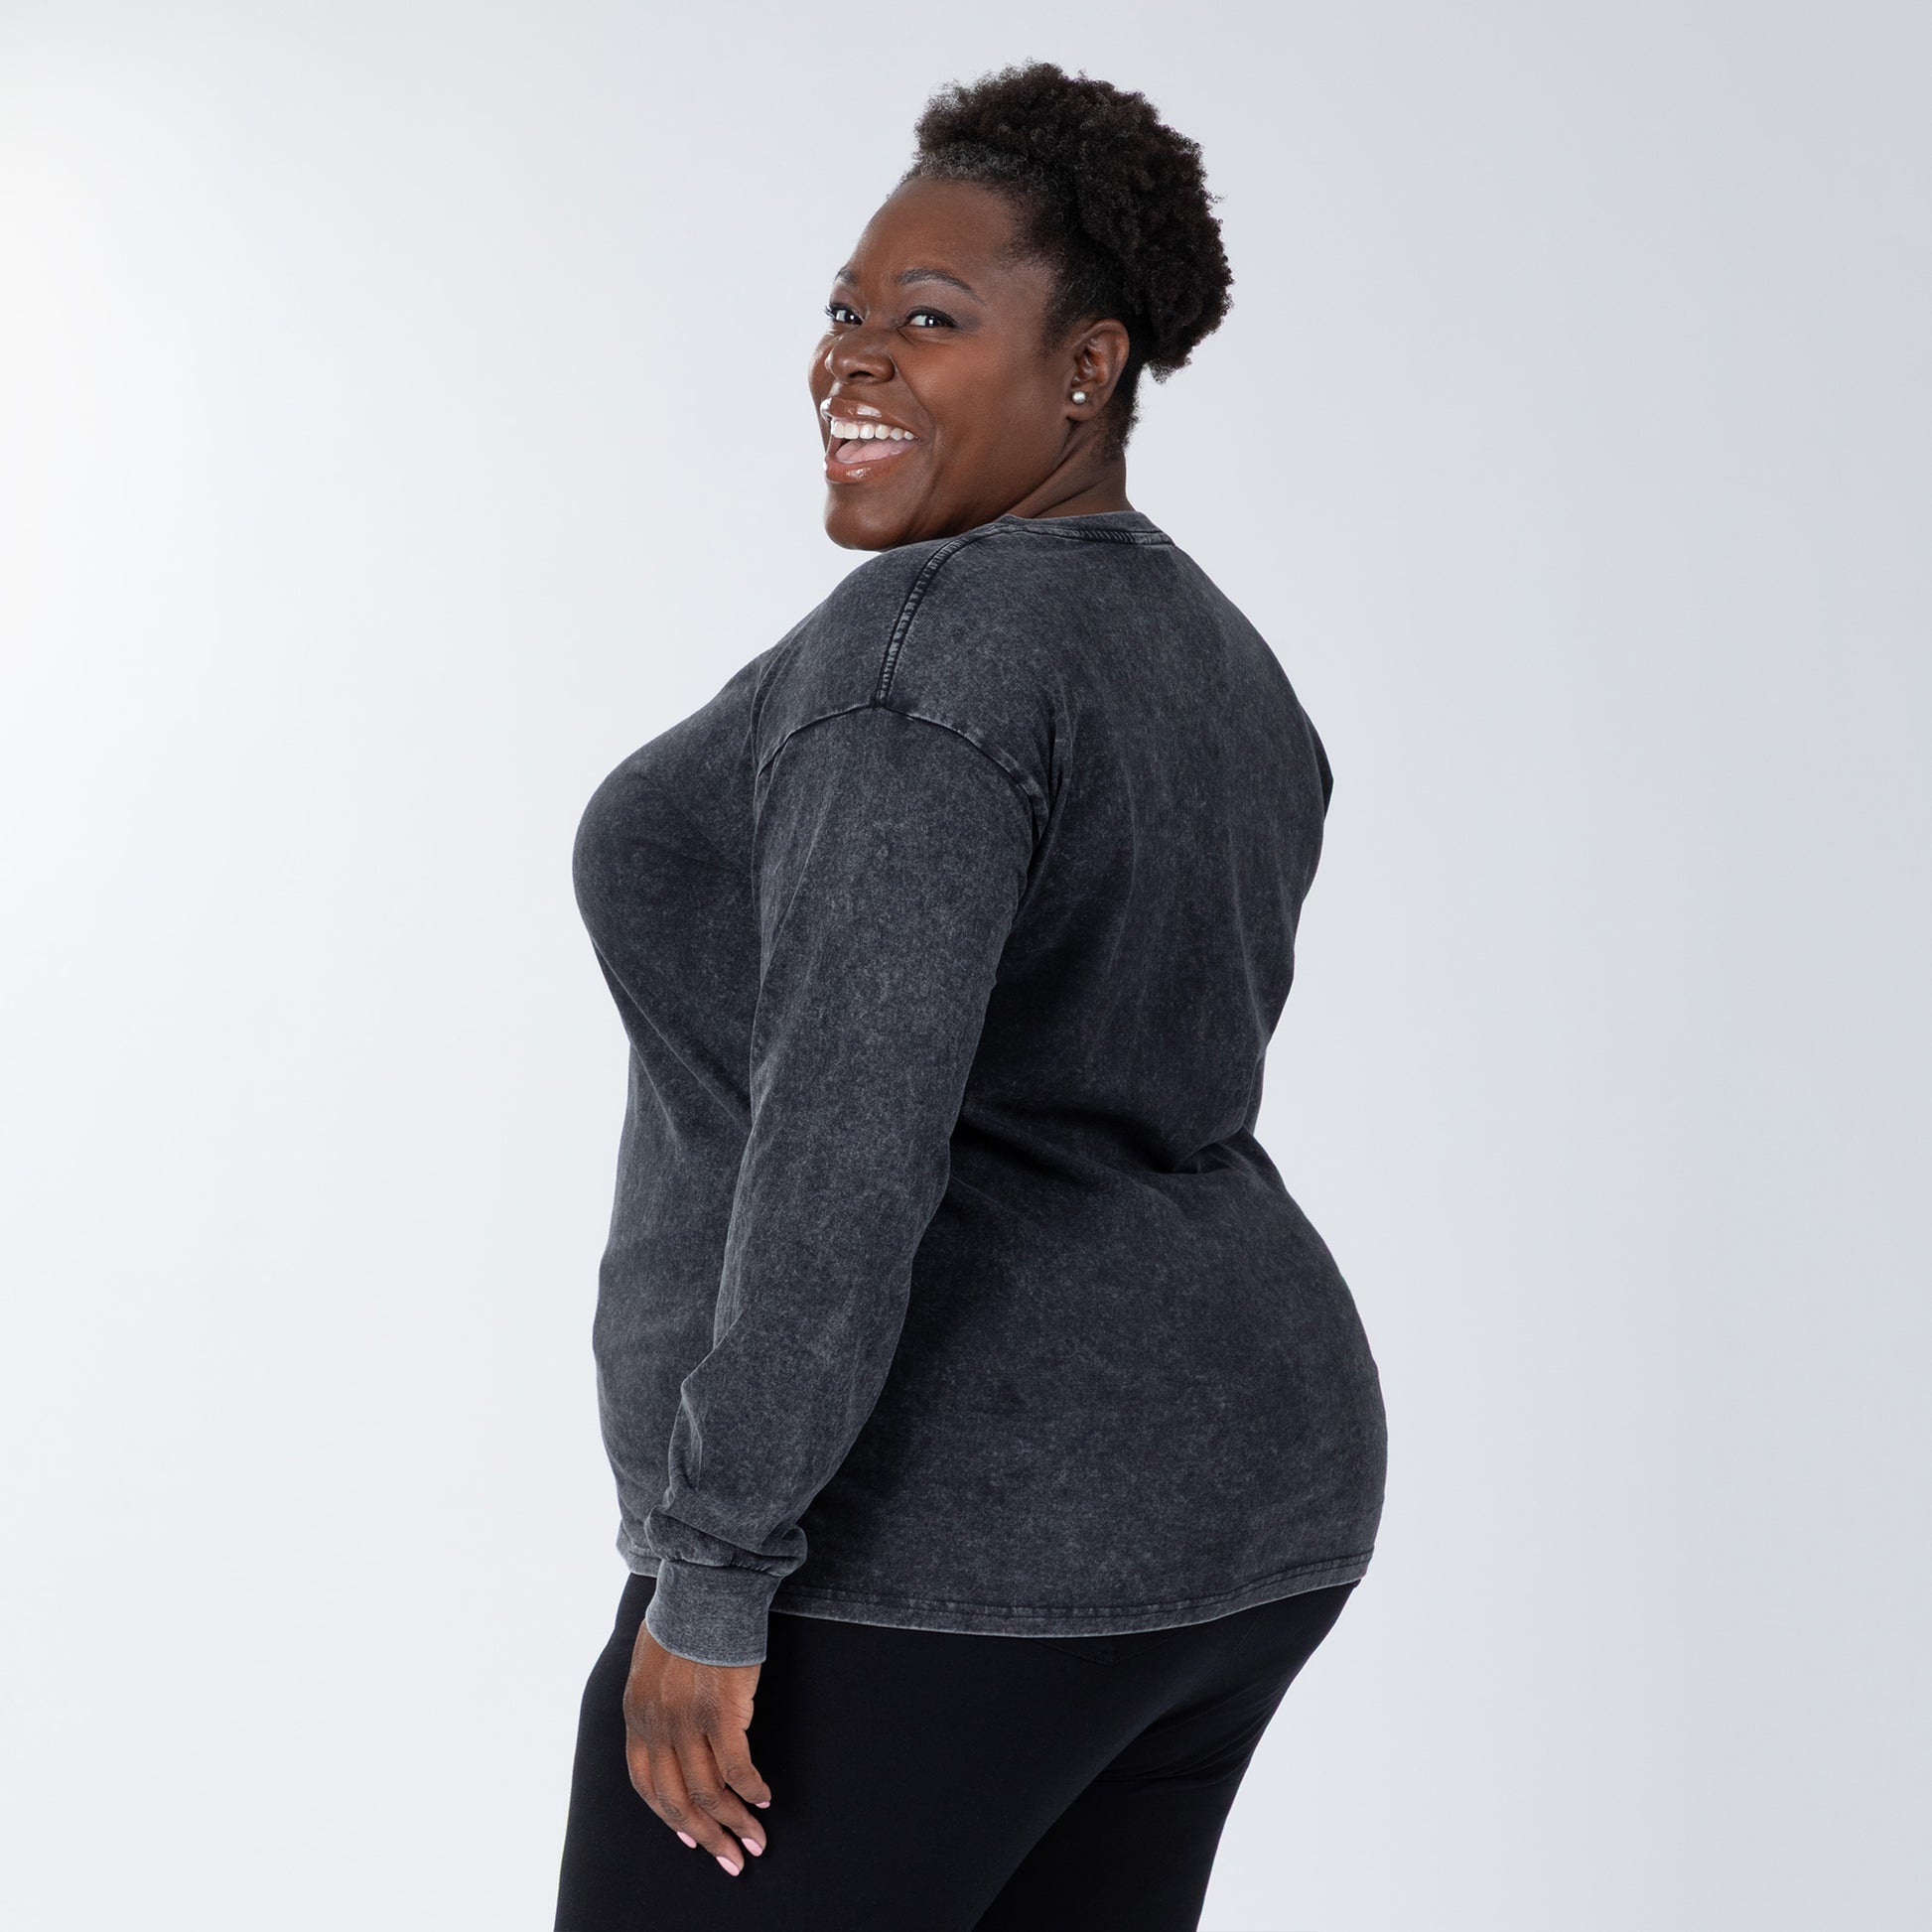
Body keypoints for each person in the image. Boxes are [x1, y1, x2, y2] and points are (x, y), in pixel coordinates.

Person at [553, 60, 1389, 1932]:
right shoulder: (1209, 653)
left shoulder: (923, 655)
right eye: (845, 311)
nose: (852, 360)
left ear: (1086, 368)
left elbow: (844, 1145)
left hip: (940, 1542)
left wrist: (713, 1573)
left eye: (927, 322)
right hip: (1241, 1515)